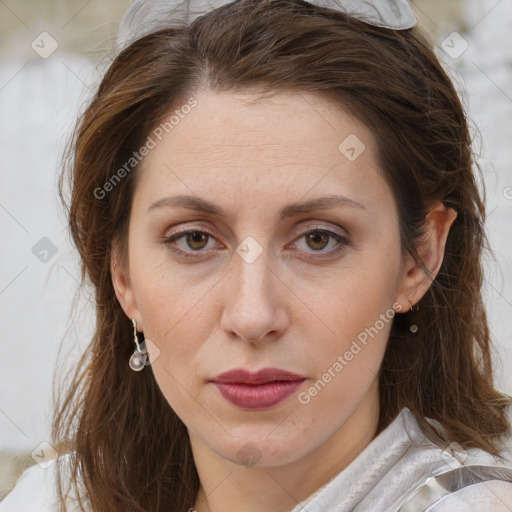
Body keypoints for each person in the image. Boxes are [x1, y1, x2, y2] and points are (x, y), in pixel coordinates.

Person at [2, 0, 512, 510]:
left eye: (319, 239)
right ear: (122, 273)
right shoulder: (53, 499)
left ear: (418, 258)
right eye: (194, 239)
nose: (252, 316)